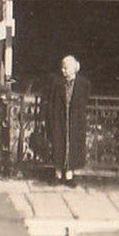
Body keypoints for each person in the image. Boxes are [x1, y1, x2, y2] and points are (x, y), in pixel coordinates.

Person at [43, 55, 91, 185]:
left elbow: (84, 101)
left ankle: (69, 175)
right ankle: (57, 174)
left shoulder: (83, 84)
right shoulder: (57, 83)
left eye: (66, 68)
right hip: (59, 119)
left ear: (74, 68)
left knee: (73, 145)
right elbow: (52, 101)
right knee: (58, 144)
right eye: (62, 68)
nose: (63, 70)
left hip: (75, 120)